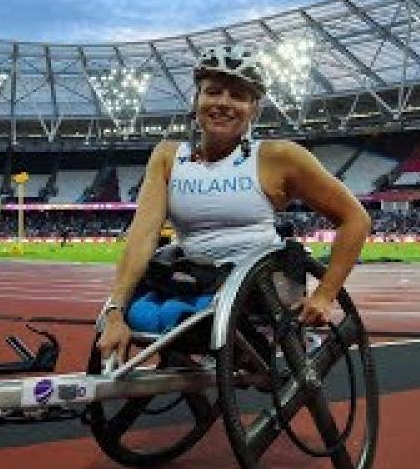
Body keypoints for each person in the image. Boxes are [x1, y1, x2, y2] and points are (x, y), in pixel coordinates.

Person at [96, 43, 372, 364]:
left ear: (254, 109)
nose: (223, 103)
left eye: (238, 96)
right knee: (138, 312)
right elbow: (142, 236)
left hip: (253, 293)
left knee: (183, 318)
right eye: (213, 92)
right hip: (192, 282)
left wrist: (325, 295)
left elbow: (356, 219)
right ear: (196, 99)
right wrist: (114, 310)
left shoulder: (278, 157)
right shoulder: (167, 157)